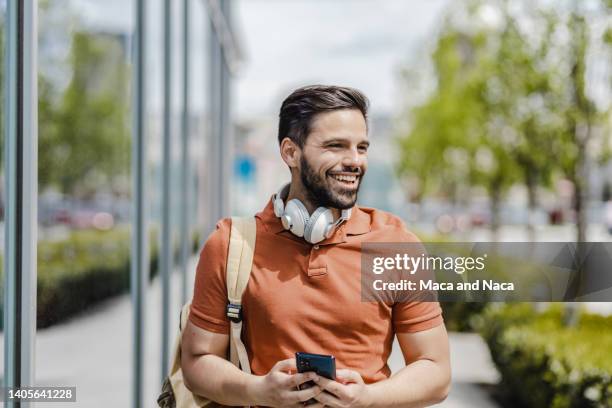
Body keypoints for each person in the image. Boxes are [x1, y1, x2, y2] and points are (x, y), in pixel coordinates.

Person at [181, 85, 450, 407]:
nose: (354, 161)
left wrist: (368, 397)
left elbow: (436, 370)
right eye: (336, 146)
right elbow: (197, 361)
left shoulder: (395, 244)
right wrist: (257, 390)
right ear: (290, 152)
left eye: (361, 147)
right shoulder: (230, 244)